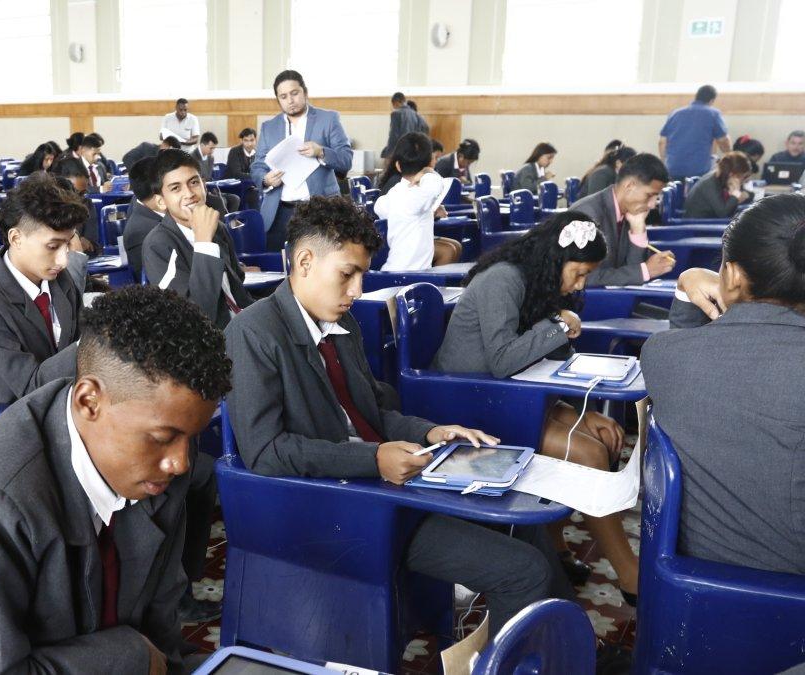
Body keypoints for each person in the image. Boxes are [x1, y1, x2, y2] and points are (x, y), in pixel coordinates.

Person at [224, 196, 572, 636]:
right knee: (524, 571)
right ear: (306, 261)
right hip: (339, 505)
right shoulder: (253, 333)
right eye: (347, 274)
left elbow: (376, 411)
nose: (357, 290)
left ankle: (563, 647)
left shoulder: (342, 324)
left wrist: (432, 431)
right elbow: (266, 452)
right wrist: (374, 460)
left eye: (363, 275)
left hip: (383, 481)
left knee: (521, 517)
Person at [0, 285, 230, 673]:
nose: (180, 463)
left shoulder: (156, 470)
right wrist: (128, 655)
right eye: (163, 438)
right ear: (89, 401)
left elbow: (162, 640)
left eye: (191, 438)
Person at [431, 212, 638, 599]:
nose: (580, 284)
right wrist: (558, 324)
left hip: (507, 395)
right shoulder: (503, 279)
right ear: (555, 259)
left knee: (603, 434)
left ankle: (557, 548)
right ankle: (630, 574)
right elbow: (504, 360)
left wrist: (576, 411)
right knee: (588, 453)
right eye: (578, 273)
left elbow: (537, 361)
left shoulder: (536, 283)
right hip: (468, 403)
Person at [642, 193, 805, 575]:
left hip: (693, 579)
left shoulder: (663, 356)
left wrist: (685, 284)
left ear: (730, 275)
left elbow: (700, 348)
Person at [0, 174, 88, 406]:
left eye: (68, 244)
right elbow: (31, 386)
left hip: (69, 401)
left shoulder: (59, 278)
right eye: (53, 246)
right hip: (18, 416)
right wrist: (92, 342)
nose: (63, 260)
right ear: (16, 238)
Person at [144, 150, 252, 328]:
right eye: (176, 188)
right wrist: (204, 244)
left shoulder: (218, 228)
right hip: (207, 342)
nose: (189, 193)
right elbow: (195, 317)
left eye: (194, 182)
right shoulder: (158, 245)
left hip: (241, 324)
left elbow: (237, 284)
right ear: (161, 201)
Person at [250, 69, 353, 253]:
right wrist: (266, 179)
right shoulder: (269, 127)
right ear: (278, 100)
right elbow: (257, 166)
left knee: (320, 267)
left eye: (294, 93)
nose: (290, 100)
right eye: (283, 96)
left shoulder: (328, 119)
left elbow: (346, 160)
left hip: (318, 209)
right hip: (279, 211)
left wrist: (321, 151)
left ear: (305, 92)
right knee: (279, 270)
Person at [568, 153, 675, 287]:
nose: (653, 205)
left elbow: (630, 273)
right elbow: (578, 278)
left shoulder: (628, 212)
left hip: (615, 299)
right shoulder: (586, 215)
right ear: (629, 186)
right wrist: (645, 270)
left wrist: (638, 230)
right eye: (649, 195)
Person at [374, 133, 463, 271]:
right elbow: (436, 184)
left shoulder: (395, 193)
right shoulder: (419, 194)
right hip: (409, 277)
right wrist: (428, 171)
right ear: (431, 163)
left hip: (393, 270)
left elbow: (379, 208)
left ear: (398, 166)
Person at [659, 84, 731, 182]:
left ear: (696, 96)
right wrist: (729, 153)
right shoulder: (713, 114)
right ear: (712, 101)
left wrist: (664, 162)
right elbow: (723, 140)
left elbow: (662, 141)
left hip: (672, 169)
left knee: (674, 195)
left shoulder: (675, 113)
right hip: (698, 171)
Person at [683, 151, 753, 219]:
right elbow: (723, 213)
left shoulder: (720, 177)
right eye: (743, 177)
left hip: (709, 222)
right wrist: (736, 194)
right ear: (732, 175)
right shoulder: (709, 184)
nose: (743, 181)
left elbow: (747, 196)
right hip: (697, 227)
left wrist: (745, 195)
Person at [380, 91, 430, 159]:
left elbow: (394, 136)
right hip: (414, 153)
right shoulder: (417, 115)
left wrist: (389, 153)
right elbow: (426, 130)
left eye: (393, 105)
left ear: (396, 102)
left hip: (401, 152)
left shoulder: (396, 114)